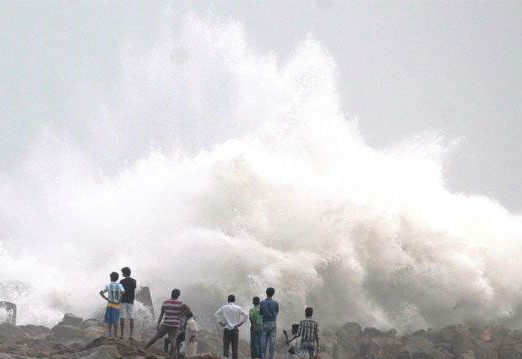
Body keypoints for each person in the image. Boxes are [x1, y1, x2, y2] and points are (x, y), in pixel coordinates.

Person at [145, 289, 190, 359]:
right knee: (173, 340)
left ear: (171, 294)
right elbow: (188, 310)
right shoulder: (180, 303)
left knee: (156, 336)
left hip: (166, 324)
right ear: (178, 295)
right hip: (175, 324)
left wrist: (158, 323)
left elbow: (161, 314)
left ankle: (145, 348)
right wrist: (181, 315)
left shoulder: (165, 302)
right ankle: (173, 356)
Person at [215, 294, 248, 359]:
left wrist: (221, 323)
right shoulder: (238, 308)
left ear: (228, 300)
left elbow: (216, 314)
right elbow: (246, 315)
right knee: (235, 348)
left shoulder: (224, 307)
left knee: (226, 347)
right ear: (234, 300)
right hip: (235, 329)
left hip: (227, 329)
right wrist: (240, 323)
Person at [99, 272, 125, 337]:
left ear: (111, 278)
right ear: (117, 278)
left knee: (110, 321)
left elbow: (101, 293)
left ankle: (110, 334)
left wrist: (107, 299)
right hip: (117, 306)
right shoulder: (120, 285)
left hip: (109, 305)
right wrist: (119, 300)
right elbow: (123, 292)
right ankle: (115, 335)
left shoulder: (108, 285)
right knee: (115, 321)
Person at [260, 287, 279, 359]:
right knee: (272, 342)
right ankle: (271, 357)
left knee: (263, 341)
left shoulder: (262, 303)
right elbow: (276, 312)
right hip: (273, 323)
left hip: (265, 322)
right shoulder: (276, 303)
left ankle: (263, 356)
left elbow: (261, 313)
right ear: (273, 294)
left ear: (266, 293)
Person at [119, 266, 137, 339]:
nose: (122, 274)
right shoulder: (134, 281)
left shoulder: (122, 281)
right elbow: (133, 288)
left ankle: (122, 335)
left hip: (123, 301)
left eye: (122, 273)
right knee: (131, 317)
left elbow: (121, 292)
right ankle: (131, 335)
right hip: (130, 301)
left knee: (122, 317)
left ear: (124, 273)